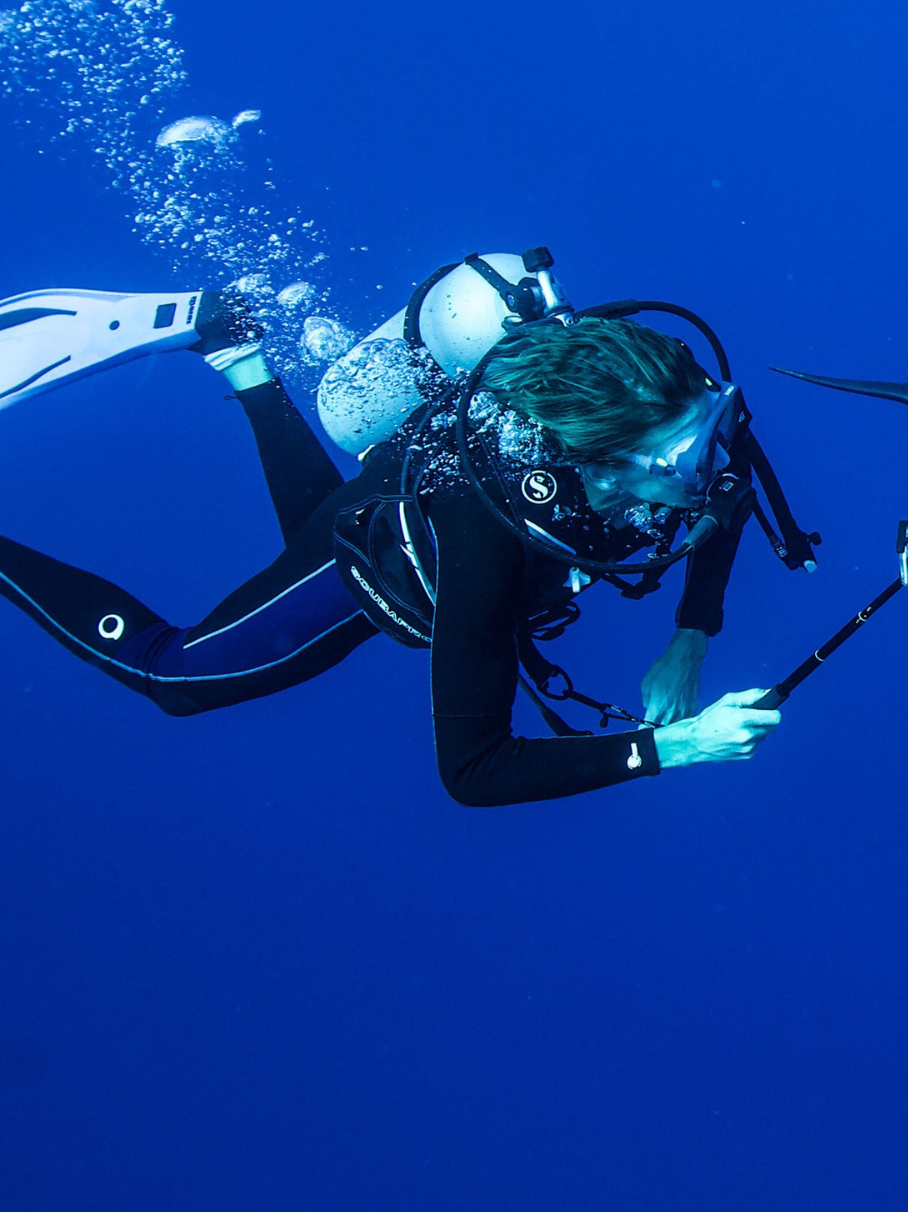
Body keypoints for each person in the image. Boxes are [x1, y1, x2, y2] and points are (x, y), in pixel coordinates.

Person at [0, 253, 796, 805]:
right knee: (173, 680)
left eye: (716, 418)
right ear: (605, 459)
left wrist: (690, 635)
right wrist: (677, 748)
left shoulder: (680, 412)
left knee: (322, 526)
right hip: (394, 553)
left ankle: (238, 353)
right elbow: (474, 770)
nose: (716, 460)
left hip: (409, 486)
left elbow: (727, 487)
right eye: (689, 453)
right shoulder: (485, 539)